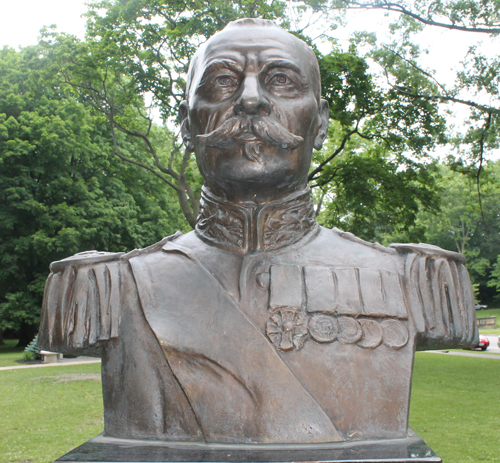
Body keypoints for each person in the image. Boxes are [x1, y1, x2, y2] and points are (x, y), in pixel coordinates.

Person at [38, 18, 477, 445]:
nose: (250, 100)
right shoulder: (105, 286)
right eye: (222, 83)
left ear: (319, 123)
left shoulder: (416, 280)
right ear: (188, 123)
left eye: (282, 80)